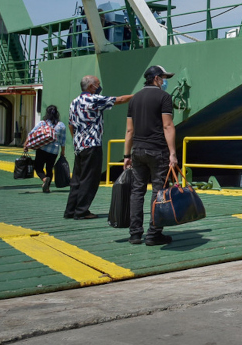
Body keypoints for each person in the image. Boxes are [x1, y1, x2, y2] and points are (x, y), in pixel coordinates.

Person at [64, 75, 133, 220]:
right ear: (91, 87)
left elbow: (70, 124)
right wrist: (138, 95)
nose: (99, 87)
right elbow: (119, 100)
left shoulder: (74, 102)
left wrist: (76, 140)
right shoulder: (93, 99)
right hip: (92, 144)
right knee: (90, 179)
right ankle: (82, 211)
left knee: (77, 179)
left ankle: (70, 210)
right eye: (97, 84)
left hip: (79, 145)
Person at [123, 65, 177, 245]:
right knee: (158, 191)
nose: (164, 80)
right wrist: (173, 153)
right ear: (155, 78)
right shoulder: (164, 97)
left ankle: (135, 234)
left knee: (137, 191)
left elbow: (129, 130)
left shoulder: (134, 99)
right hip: (157, 150)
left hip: (137, 150)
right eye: (163, 77)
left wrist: (126, 155)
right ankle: (154, 234)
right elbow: (167, 126)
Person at [33, 105, 66, 193]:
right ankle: (47, 188)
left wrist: (26, 145)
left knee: (38, 167)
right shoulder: (61, 125)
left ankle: (44, 179)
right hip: (54, 151)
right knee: (49, 168)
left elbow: (32, 133)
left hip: (42, 149)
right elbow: (63, 140)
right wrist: (63, 152)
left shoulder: (42, 123)